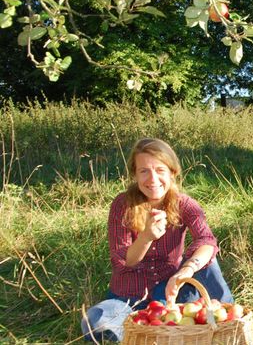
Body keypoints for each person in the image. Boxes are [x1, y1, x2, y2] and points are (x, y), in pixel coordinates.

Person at [81, 138, 233, 342]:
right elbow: (124, 261)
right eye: (144, 171)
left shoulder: (185, 204)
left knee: (207, 260)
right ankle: (147, 331)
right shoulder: (122, 205)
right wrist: (145, 237)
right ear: (134, 174)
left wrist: (186, 270)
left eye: (160, 170)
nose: (152, 179)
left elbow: (207, 240)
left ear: (172, 172)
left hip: (171, 294)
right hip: (127, 299)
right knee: (94, 323)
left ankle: (227, 323)